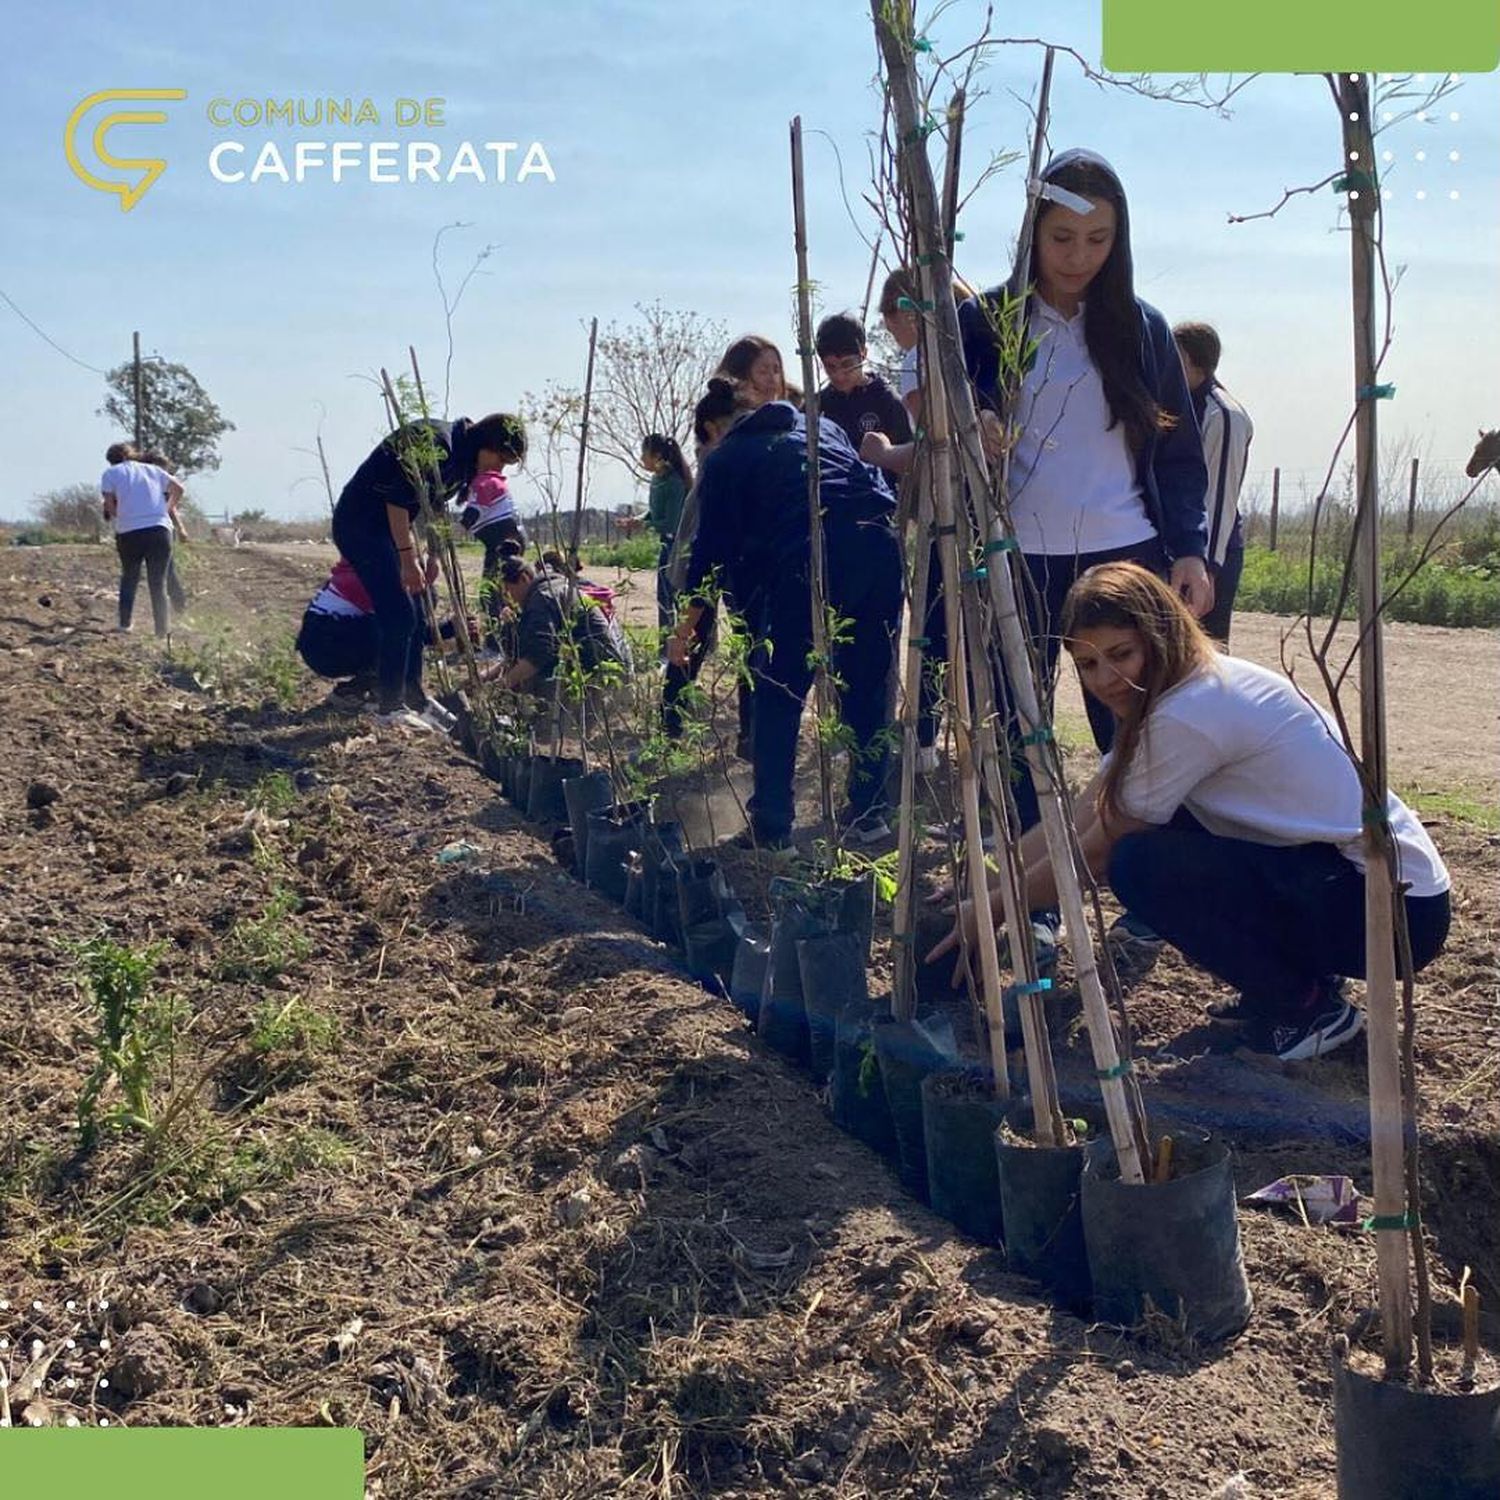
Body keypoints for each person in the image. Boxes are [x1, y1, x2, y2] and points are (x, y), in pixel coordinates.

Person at [929, 563, 1451, 1062]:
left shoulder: (1190, 712)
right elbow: (1086, 812)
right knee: (1157, 823)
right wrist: (986, 876)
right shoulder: (1179, 689)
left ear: (1159, 634)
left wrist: (994, 909)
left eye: (1122, 654)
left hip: (1391, 911)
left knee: (1136, 863)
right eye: (1087, 664)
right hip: (1354, 882)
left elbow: (1098, 850)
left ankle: (1307, 1008)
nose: (1106, 678)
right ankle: (1296, 981)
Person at [668, 378, 904, 850]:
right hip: (882, 548)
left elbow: (709, 556)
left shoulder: (727, 458)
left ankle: (773, 824)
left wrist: (684, 631)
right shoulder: (819, 425)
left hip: (812, 555)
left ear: (712, 429)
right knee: (866, 684)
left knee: (778, 689)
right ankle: (871, 810)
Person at [330, 412, 508, 730]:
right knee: (398, 614)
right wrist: (407, 558)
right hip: (362, 525)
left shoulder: (460, 461)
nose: (499, 470)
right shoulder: (438, 443)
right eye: (500, 460)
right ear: (487, 444)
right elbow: (397, 502)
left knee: (417, 605)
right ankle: (389, 707)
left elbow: (434, 508)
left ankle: (414, 696)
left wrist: (434, 557)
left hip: (387, 531)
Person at [1172, 322, 1253, 645]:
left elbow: (1219, 498)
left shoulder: (1223, 415)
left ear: (1196, 362)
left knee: (1207, 656)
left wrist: (1209, 568)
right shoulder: (1179, 407)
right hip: (1180, 552)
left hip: (1209, 557)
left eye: (1174, 356)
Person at [455, 414, 528, 650]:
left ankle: (498, 646)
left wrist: (458, 528)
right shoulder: (488, 480)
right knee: (497, 593)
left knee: (494, 594)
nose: (499, 465)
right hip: (504, 540)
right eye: (501, 459)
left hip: (504, 541)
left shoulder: (487, 481)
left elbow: (475, 510)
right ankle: (502, 643)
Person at [100, 442, 185, 637]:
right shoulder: (152, 470)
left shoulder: (110, 474)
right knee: (158, 582)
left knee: (130, 577)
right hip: (159, 530)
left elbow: (109, 504)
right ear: (131, 454)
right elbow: (179, 488)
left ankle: (125, 624)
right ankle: (162, 631)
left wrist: (120, 515)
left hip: (129, 531)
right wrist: (165, 508)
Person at [814, 312, 913, 451]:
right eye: (830, 367)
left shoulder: (886, 400)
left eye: (847, 364)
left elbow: (908, 455)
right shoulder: (817, 405)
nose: (839, 375)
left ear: (863, 354)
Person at [642, 433, 692, 631]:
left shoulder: (674, 482)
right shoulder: (657, 479)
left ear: (657, 456)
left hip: (677, 546)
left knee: (676, 599)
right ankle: (666, 646)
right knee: (664, 598)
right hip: (666, 544)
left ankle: (679, 646)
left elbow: (671, 523)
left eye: (644, 454)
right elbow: (655, 513)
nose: (642, 459)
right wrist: (638, 520)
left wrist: (644, 525)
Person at [138, 450, 191, 616]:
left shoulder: (161, 484)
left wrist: (181, 528)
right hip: (142, 530)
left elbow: (170, 507)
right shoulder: (139, 483)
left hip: (160, 530)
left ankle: (177, 607)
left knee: (167, 570)